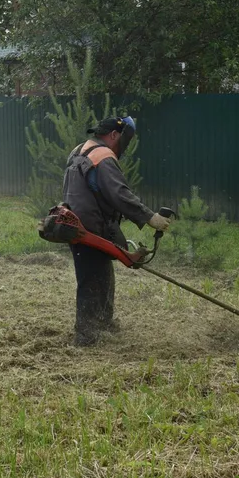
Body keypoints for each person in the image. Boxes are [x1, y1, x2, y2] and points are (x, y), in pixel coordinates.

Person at [61, 116, 171, 346]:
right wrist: (151, 218)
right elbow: (119, 194)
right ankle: (86, 336)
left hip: (78, 223)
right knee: (92, 280)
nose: (124, 145)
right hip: (90, 227)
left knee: (102, 276)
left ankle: (103, 325)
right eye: (124, 139)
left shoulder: (79, 150)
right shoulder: (103, 157)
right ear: (113, 135)